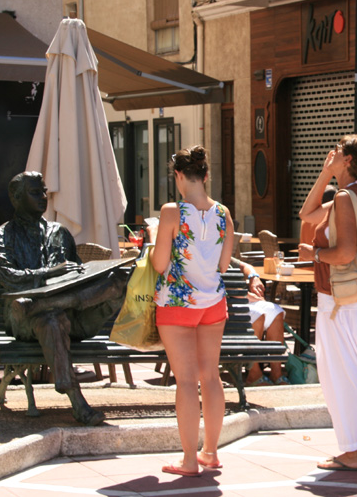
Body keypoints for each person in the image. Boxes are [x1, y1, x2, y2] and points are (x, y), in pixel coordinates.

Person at [0, 171, 127, 426]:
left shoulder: (59, 232)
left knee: (119, 282)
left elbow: (76, 281)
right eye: (35, 192)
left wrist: (84, 273)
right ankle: (77, 400)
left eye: (44, 191)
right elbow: (9, 277)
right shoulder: (1, 236)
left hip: (70, 314)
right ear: (16, 198)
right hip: (25, 318)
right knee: (50, 321)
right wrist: (49, 273)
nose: (43, 197)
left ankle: (49, 304)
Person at [298, 134, 357, 471]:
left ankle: (351, 450)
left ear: (347, 161)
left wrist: (314, 254)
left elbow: (346, 252)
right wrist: (324, 173)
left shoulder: (346, 198)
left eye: (337, 152)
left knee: (341, 375)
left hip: (342, 301)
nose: (331, 154)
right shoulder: (356, 195)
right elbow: (308, 213)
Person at [147, 145, 235, 477]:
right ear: (206, 175)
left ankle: (187, 461)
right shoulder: (224, 213)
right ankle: (210, 453)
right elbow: (224, 264)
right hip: (213, 303)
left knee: (185, 382)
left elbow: (159, 263)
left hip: (177, 304)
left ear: (179, 176)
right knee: (210, 377)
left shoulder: (172, 211)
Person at [230, 256, 288, 386]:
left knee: (276, 311)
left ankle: (276, 374)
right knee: (258, 314)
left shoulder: (219, 248)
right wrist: (243, 294)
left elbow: (244, 266)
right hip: (225, 305)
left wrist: (254, 277)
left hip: (241, 300)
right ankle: (254, 374)